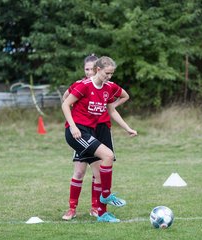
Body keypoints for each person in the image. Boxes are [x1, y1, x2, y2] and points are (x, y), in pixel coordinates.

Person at [62, 56, 137, 223]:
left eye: (111, 74)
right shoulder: (84, 85)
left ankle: (102, 211)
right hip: (78, 132)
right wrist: (73, 126)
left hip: (93, 131)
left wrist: (127, 128)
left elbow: (112, 110)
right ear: (98, 70)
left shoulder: (108, 88)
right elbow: (65, 104)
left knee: (102, 166)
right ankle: (104, 196)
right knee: (104, 158)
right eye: (107, 73)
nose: (109, 77)